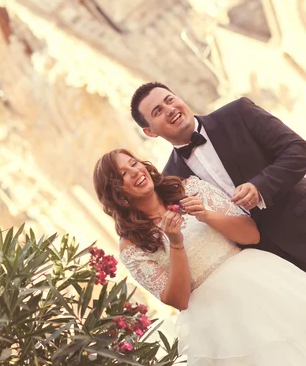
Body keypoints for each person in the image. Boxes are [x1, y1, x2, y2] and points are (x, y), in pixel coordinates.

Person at [93, 149, 306, 365]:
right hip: (218, 322)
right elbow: (178, 299)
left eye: (134, 163)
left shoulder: (191, 189)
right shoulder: (132, 244)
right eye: (122, 174)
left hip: (261, 283)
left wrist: (206, 215)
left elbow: (251, 235)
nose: (135, 171)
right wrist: (176, 244)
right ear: (116, 193)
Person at [130, 82, 306, 271]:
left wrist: (260, 187)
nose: (170, 110)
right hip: (263, 263)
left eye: (170, 100)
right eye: (158, 111)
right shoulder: (171, 181)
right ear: (150, 132)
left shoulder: (238, 112)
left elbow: (298, 151)